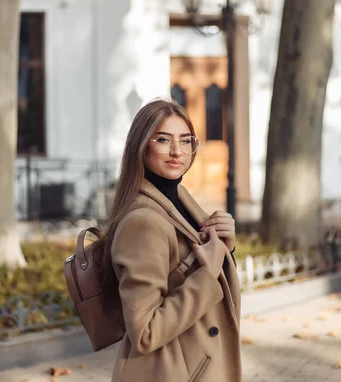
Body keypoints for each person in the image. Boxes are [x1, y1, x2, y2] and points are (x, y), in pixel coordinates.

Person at [103, 98, 243, 382]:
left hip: (195, 362)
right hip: (173, 371)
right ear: (142, 146)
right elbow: (145, 332)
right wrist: (207, 273)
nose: (177, 151)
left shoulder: (179, 199)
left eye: (186, 140)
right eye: (164, 140)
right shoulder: (143, 222)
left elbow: (192, 266)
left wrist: (225, 247)